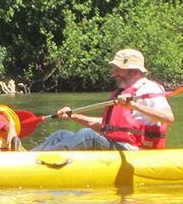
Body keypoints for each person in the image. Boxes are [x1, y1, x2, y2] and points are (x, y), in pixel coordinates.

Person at [34, 49, 174, 151]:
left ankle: (37, 162)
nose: (114, 73)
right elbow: (105, 125)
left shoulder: (150, 88)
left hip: (134, 150)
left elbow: (168, 117)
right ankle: (27, 156)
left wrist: (134, 106)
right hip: (115, 144)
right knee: (60, 135)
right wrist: (72, 116)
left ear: (135, 71)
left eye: (119, 69)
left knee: (87, 135)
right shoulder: (122, 92)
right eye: (115, 69)